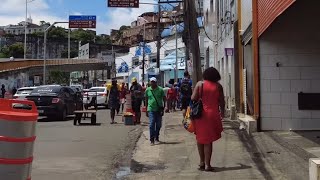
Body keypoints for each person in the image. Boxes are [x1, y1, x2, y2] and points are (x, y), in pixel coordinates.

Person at [191, 67, 225, 172]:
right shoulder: (218, 86)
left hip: (200, 115)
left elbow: (193, 98)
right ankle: (207, 165)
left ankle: (202, 162)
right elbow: (222, 102)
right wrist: (222, 112)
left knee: (200, 138)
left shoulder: (200, 84)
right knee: (208, 140)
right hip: (212, 115)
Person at [145, 77, 166, 145]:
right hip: (151, 109)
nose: (152, 83)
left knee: (159, 125)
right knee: (151, 124)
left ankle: (157, 137)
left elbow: (164, 98)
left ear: (156, 82)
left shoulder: (160, 89)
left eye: (153, 82)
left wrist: (164, 107)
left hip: (159, 110)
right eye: (151, 82)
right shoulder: (148, 90)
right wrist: (146, 109)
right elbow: (146, 99)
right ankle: (152, 139)